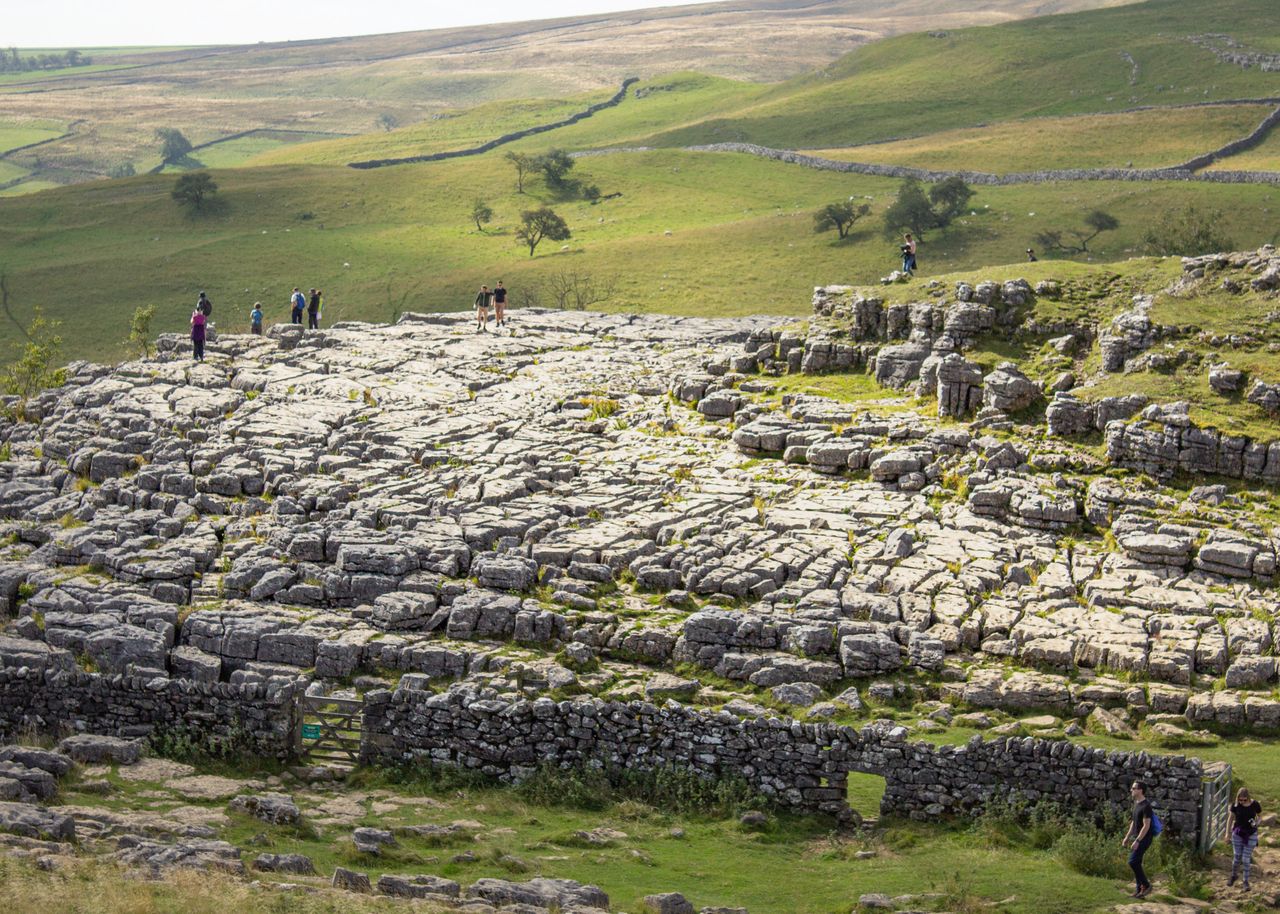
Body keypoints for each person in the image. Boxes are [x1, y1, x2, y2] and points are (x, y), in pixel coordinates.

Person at [1121, 781, 1155, 898]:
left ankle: (1146, 885)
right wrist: (1127, 837)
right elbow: (1134, 822)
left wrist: (1138, 841)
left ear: (1140, 790)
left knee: (1133, 862)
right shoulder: (1137, 804)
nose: (1131, 790)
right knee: (1137, 863)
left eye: (1134, 788)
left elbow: (1146, 826)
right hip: (1138, 837)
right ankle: (1139, 891)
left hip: (1145, 838)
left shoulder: (1146, 806)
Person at [1228, 787, 1262, 890]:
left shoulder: (1255, 804)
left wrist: (1257, 823)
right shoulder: (1235, 805)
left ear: (1248, 798)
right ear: (1237, 798)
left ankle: (1245, 882)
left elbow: (1260, 816)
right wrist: (1227, 834)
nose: (1242, 801)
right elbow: (1230, 819)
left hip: (1251, 834)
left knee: (1246, 859)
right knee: (1237, 857)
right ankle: (1234, 875)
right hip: (1238, 833)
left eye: (1244, 800)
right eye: (1240, 799)